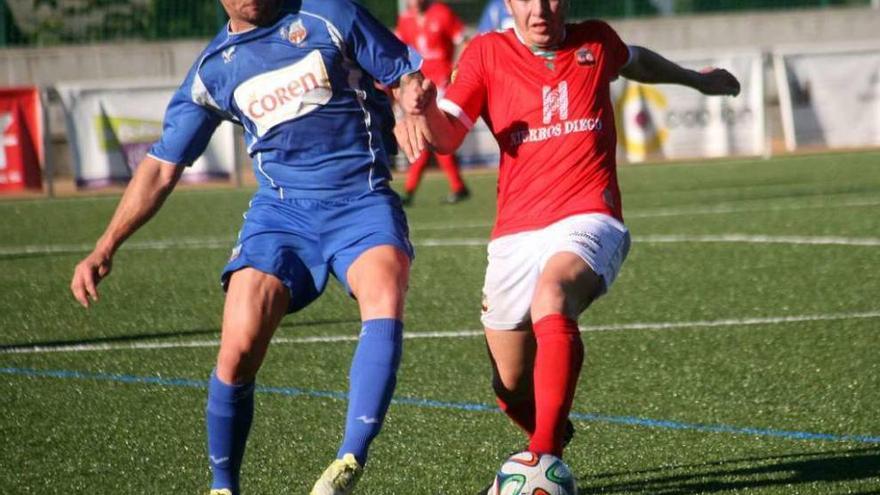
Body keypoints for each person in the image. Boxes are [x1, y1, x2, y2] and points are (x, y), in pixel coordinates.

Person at [69, 1, 429, 494]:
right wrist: (104, 245)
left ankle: (348, 460)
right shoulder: (213, 71)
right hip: (281, 215)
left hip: (361, 199)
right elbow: (160, 166)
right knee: (237, 348)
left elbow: (405, 71)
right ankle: (223, 486)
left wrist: (412, 98)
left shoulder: (329, 14)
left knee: (384, 295)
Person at [395, 0, 740, 488]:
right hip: (516, 234)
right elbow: (447, 136)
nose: (539, 9)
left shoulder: (596, 40)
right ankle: (548, 428)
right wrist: (424, 107)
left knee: (552, 296)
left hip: (590, 217)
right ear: (508, 4)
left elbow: (638, 61)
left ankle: (544, 456)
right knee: (511, 385)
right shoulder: (486, 53)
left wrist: (697, 80)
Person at [395, 0, 470, 205]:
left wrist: (457, 70)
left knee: (432, 137)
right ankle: (457, 186)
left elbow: (463, 40)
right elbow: (398, 53)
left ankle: (411, 191)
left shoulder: (441, 12)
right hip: (418, 89)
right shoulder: (405, 20)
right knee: (426, 139)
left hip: (440, 87)